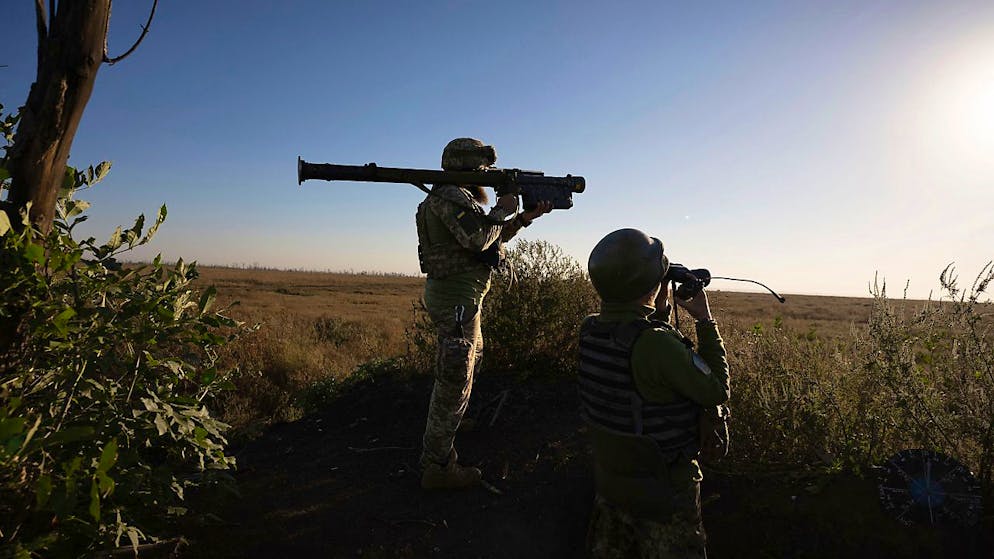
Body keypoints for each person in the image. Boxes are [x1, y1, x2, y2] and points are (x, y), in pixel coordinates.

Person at [579, 228, 730, 558]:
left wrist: (657, 307)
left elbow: (637, 355)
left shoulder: (591, 329)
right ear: (649, 284)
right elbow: (716, 390)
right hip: (663, 490)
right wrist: (704, 320)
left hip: (612, 482)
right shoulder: (656, 344)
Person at [416, 137, 552, 490]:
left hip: (464, 298)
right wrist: (504, 209)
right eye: (482, 171)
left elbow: (488, 239)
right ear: (469, 169)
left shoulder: (457, 197)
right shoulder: (448, 197)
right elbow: (478, 239)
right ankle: (438, 466)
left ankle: (452, 425)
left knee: (465, 367)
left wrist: (522, 217)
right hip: (455, 300)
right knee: (454, 380)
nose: (487, 176)